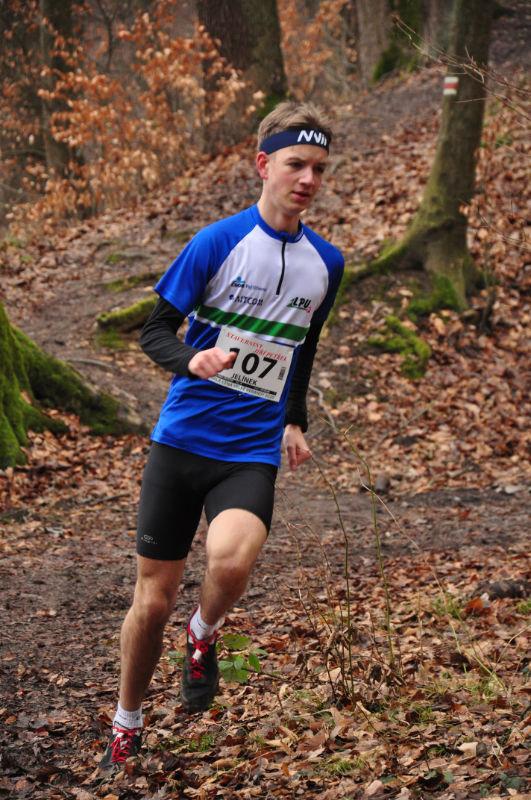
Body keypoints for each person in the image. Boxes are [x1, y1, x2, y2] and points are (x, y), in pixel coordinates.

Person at [100, 100, 344, 770]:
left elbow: (302, 349)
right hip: (182, 441)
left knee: (231, 561)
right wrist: (192, 360)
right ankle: (127, 722)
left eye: (319, 169)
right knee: (151, 603)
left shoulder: (326, 262)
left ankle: (203, 633)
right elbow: (153, 331)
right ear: (263, 164)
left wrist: (294, 419)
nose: (308, 179)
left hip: (249, 448)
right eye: (296, 164)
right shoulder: (216, 242)